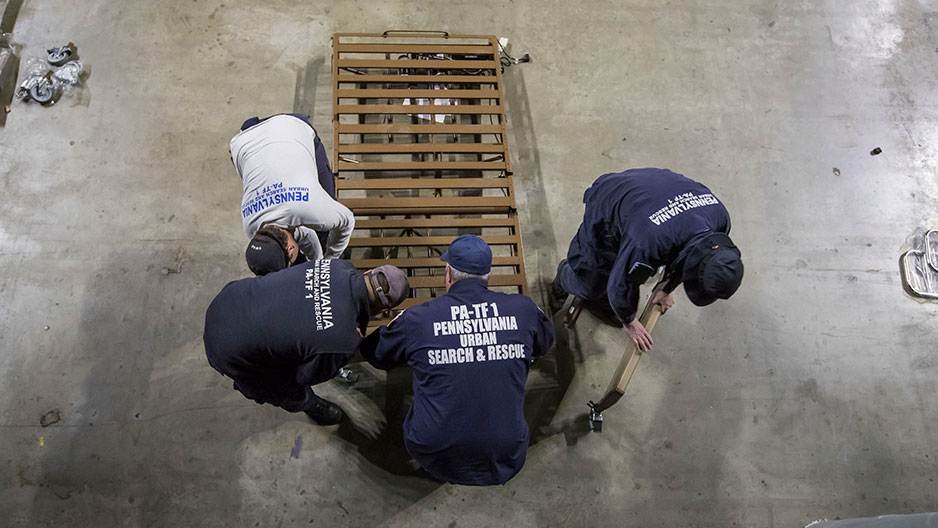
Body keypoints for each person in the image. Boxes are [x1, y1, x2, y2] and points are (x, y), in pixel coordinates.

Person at [361, 235, 555, 485]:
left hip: (432, 449)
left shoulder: (418, 319)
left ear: (448, 274)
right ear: (489, 275)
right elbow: (544, 342)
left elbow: (377, 354)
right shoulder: (523, 309)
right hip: (507, 455)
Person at [550, 168, 743, 351]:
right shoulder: (649, 242)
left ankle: (601, 293)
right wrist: (629, 321)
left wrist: (666, 288)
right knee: (590, 285)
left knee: (629, 263)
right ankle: (564, 275)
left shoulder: (720, 220)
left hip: (650, 193)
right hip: (610, 199)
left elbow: (692, 254)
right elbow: (620, 284)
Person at [203, 259, 409, 424]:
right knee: (286, 388)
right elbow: (305, 376)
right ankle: (308, 404)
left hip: (227, 299)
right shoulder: (343, 340)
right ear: (384, 310)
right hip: (227, 352)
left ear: (369, 272)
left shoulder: (337, 265)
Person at [230, 113, 355, 275]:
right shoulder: (251, 227)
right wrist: (317, 262)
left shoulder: (312, 208)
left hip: (291, 125)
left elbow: (347, 220)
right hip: (244, 140)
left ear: (290, 249)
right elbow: (304, 233)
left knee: (327, 225)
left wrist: (331, 258)